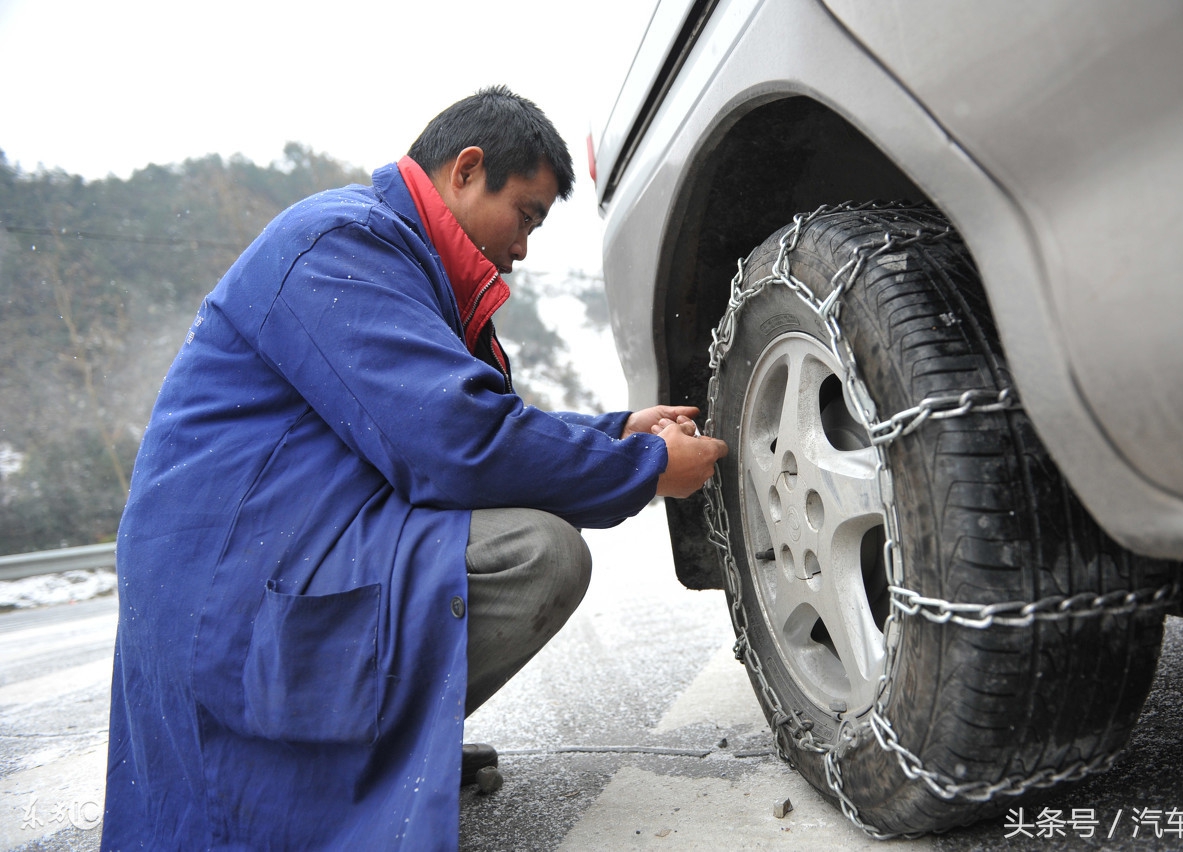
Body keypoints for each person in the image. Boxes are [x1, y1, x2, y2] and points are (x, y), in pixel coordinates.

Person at [100, 85, 727, 850]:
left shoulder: (403, 265)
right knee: (538, 554)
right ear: (467, 169)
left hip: (290, 547)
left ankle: (391, 741)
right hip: (230, 586)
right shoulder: (340, 244)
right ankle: (352, 760)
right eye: (526, 215)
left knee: (517, 536)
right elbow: (457, 445)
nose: (524, 248)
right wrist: (646, 466)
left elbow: (474, 424)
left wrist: (619, 431)